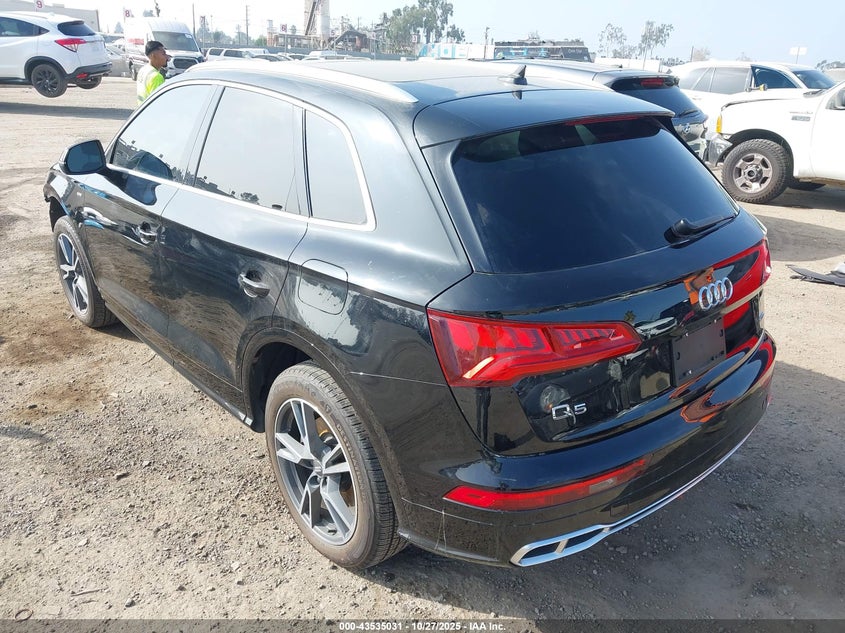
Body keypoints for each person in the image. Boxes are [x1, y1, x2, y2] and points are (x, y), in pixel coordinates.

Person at [136, 40, 169, 105]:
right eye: (163, 54)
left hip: (142, 108)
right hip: (151, 110)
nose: (167, 57)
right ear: (153, 56)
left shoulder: (143, 70)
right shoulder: (156, 77)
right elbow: (158, 103)